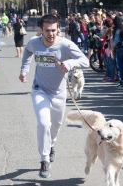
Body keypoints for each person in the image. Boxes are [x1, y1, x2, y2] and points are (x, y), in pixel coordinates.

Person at [19, 15, 89, 178]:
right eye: (47, 30)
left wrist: (70, 64)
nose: (51, 34)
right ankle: (44, 160)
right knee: (44, 123)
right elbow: (27, 52)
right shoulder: (34, 42)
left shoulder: (66, 44)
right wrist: (24, 70)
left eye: (54, 30)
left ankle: (51, 146)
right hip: (40, 90)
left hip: (59, 93)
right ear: (41, 30)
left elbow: (84, 61)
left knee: (56, 125)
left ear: (58, 29)